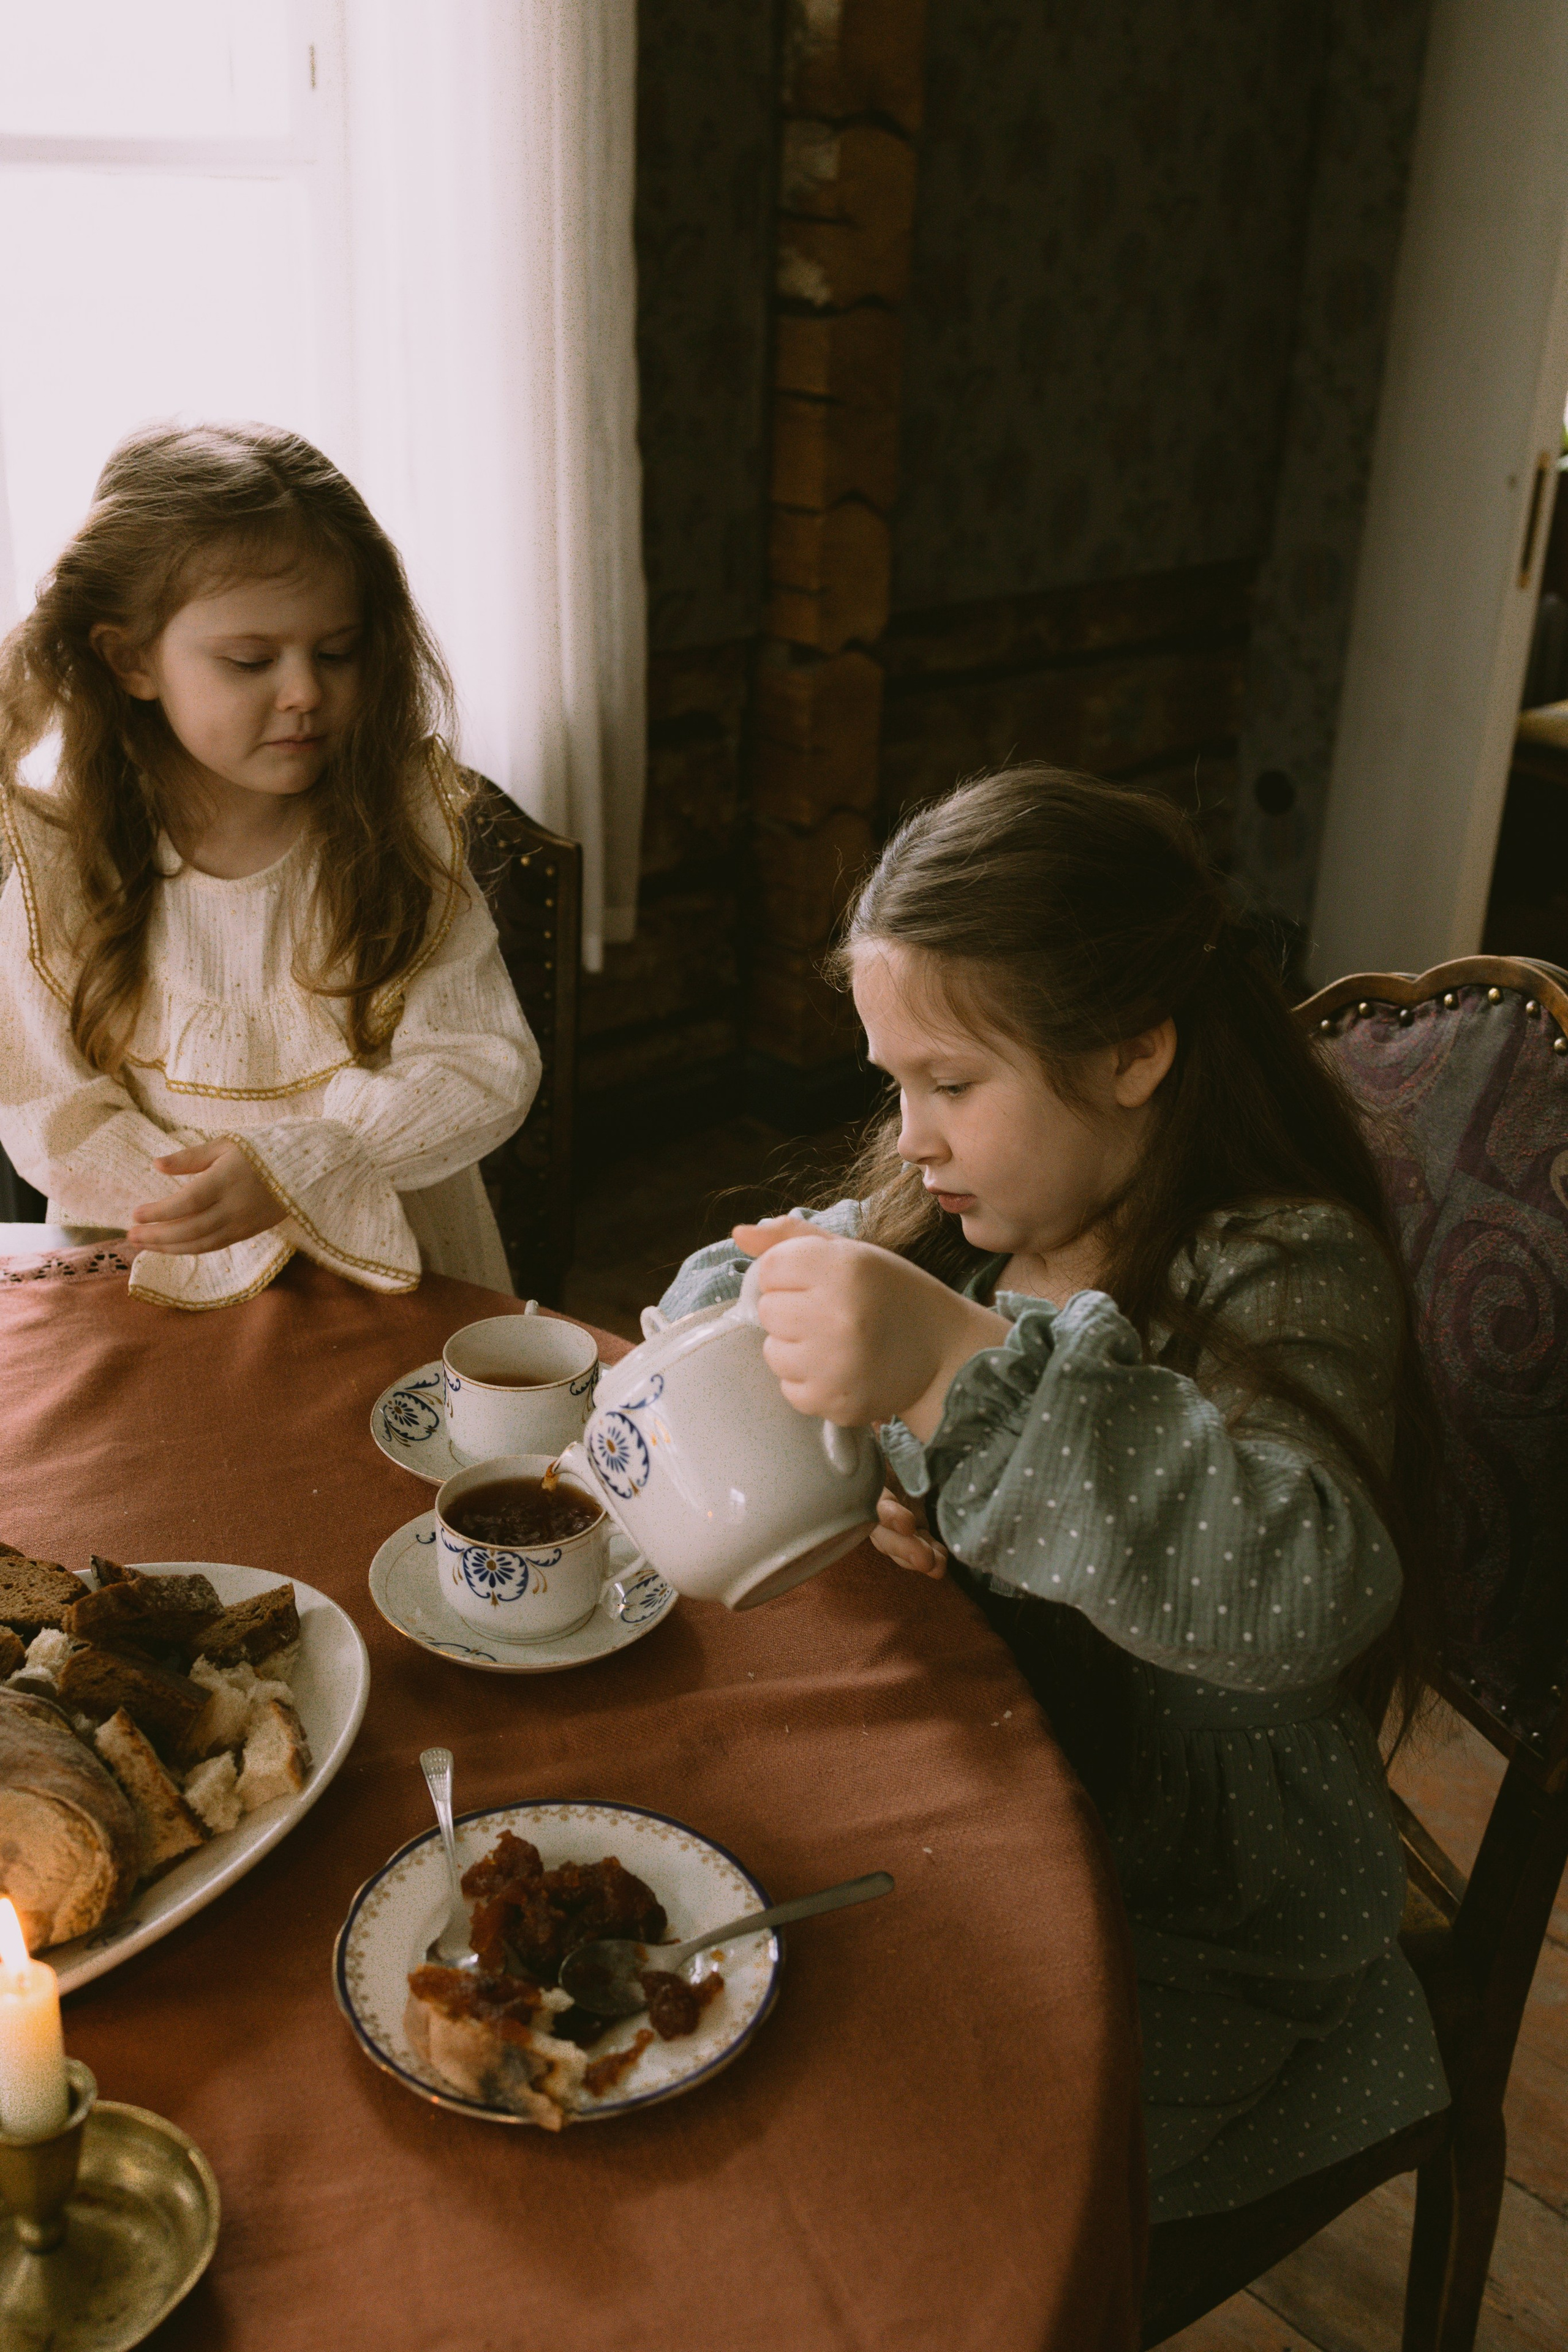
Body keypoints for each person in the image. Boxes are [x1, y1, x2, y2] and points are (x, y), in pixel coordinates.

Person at [656, 766, 1450, 2222]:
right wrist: (835, 1423)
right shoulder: (956, 1224)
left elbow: (1299, 1594)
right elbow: (722, 1291)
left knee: (881, 2164)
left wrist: (954, 1379)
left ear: (1133, 1052)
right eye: (892, 1082)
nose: (910, 1136)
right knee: (703, 2021)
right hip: (959, 1783)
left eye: (952, 1084)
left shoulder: (1276, 1269)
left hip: (1183, 1896)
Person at [0, 422, 538, 1310]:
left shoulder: (400, 827)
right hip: (161, 1268)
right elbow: (46, 1108)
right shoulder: (68, 859)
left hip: (392, 1267)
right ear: (132, 660)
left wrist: (300, 1169)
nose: (306, 693)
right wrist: (197, 1207)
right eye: (251, 661)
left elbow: (480, 1064)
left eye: (337, 652)